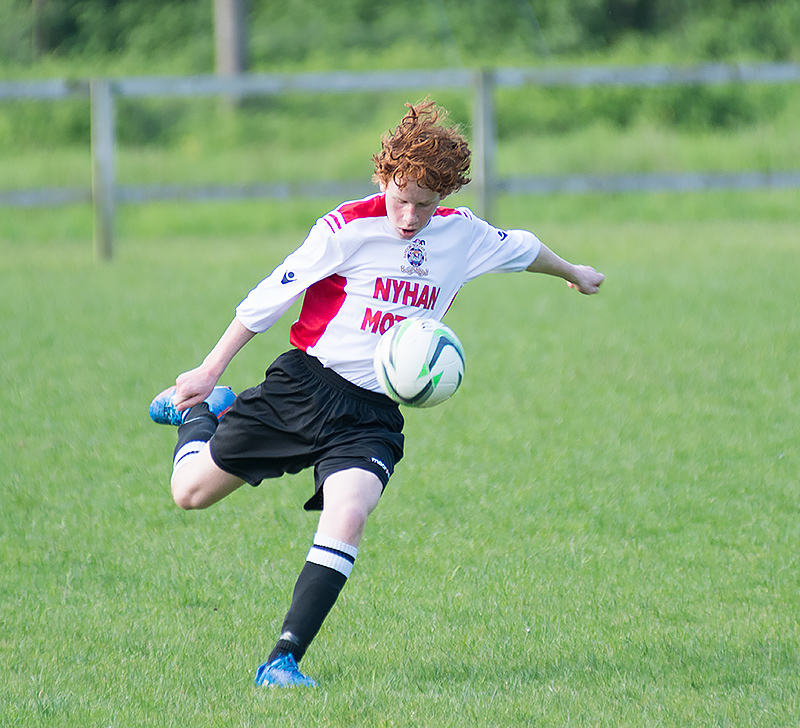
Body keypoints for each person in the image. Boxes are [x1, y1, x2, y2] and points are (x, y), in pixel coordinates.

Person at [149, 99, 604, 688]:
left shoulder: (461, 235)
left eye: (424, 204)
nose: (410, 216)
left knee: (350, 512)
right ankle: (201, 414)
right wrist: (210, 370)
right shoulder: (347, 227)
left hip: (371, 416)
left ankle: (283, 660)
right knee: (190, 494)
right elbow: (272, 294)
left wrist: (571, 271)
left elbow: (521, 246)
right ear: (383, 178)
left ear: (444, 196)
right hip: (305, 387)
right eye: (400, 198)